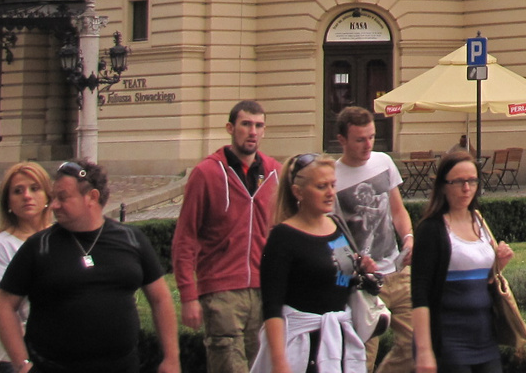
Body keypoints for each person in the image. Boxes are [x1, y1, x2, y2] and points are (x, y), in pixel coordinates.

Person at [0, 159, 179, 373]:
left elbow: (160, 298)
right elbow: (3, 306)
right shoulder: (39, 247)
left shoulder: (131, 239)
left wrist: (171, 358)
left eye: (63, 198)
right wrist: (22, 364)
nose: (54, 206)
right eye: (54, 198)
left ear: (92, 197)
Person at [174, 99, 283, 373]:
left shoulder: (274, 173)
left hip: (263, 290)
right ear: (230, 128)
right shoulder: (207, 173)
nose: (253, 131)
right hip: (221, 292)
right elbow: (185, 237)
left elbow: (285, 233)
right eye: (246, 124)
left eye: (259, 125)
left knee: (263, 366)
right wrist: (188, 295)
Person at [255, 153, 373, 373]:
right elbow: (271, 306)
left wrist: (361, 269)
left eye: (332, 185)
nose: (330, 193)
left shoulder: (336, 227)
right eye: (321, 186)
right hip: (302, 346)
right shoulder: (283, 237)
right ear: (298, 192)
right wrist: (279, 362)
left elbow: (339, 279)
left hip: (339, 342)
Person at [410, 149, 515, 373]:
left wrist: (498, 264)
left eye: (472, 181)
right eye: (458, 182)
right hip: (449, 340)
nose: (466, 188)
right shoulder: (432, 229)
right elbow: (420, 293)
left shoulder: (479, 221)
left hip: (484, 338)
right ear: (443, 186)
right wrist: (424, 350)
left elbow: (483, 280)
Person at [332, 107, 415, 372]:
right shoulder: (331, 178)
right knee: (361, 358)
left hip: (398, 272)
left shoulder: (383, 162)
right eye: (360, 139)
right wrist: (353, 264)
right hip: (363, 284)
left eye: (371, 137)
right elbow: (331, 235)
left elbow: (397, 209)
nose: (368, 144)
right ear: (342, 139)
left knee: (418, 344)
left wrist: (409, 238)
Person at [0, 162, 52, 373]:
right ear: (8, 202)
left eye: (34, 188)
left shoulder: (63, 237)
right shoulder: (1, 244)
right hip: (18, 349)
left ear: (47, 196)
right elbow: (6, 309)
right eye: (18, 191)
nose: (27, 196)